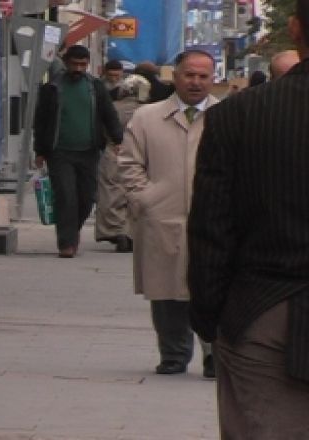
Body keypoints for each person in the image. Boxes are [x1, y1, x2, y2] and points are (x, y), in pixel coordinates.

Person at [187, 2, 309, 437]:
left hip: (263, 312)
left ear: (294, 29)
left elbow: (211, 229)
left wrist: (211, 317)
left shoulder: (236, 117)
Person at [119, 50, 218, 378]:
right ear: (174, 76)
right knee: (166, 291)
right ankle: (173, 354)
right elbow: (129, 163)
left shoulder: (228, 115)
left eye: (203, 76)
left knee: (214, 288)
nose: (196, 82)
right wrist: (145, 198)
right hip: (162, 214)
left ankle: (214, 353)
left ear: (213, 78)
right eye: (189, 74)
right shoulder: (147, 118)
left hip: (214, 219)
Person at [33, 45, 123, 258]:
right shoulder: (52, 88)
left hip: (89, 151)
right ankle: (67, 243)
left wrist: (117, 138)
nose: (79, 68)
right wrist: (40, 150)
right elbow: (41, 121)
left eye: (83, 65)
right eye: (75, 64)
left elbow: (108, 113)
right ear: (66, 63)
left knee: (87, 197)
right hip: (60, 152)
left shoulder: (95, 87)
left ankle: (72, 231)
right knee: (66, 196)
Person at [95, 60, 134, 253]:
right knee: (127, 192)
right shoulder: (146, 110)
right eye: (112, 73)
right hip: (125, 151)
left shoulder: (105, 100)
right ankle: (127, 231)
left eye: (117, 73)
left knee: (111, 192)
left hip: (112, 150)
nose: (114, 77)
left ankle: (117, 230)